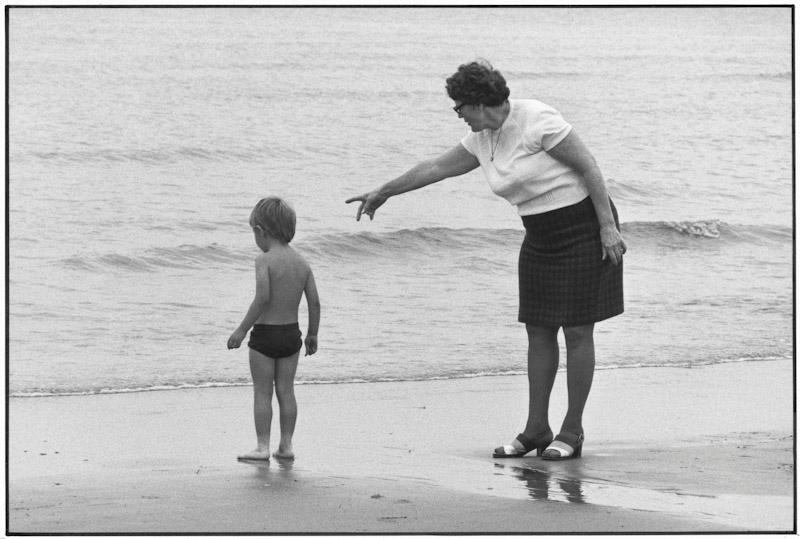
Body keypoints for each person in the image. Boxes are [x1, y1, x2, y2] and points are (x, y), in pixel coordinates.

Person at [346, 60, 625, 460]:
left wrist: (606, 227)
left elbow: (589, 167)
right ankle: (536, 429)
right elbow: (436, 167)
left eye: (459, 107)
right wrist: (384, 191)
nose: (457, 114)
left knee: (578, 332)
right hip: (540, 235)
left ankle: (572, 431)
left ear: (478, 102)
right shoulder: (483, 138)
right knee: (538, 330)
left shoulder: (536, 119)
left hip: (584, 226)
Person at [228, 196, 321, 461]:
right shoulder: (302, 263)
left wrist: (241, 330)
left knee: (263, 392)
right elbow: (314, 302)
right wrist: (312, 334)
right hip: (291, 335)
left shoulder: (264, 261)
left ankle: (261, 447)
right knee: (286, 391)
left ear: (261, 231)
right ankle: (287, 446)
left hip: (265, 337)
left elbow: (262, 298)